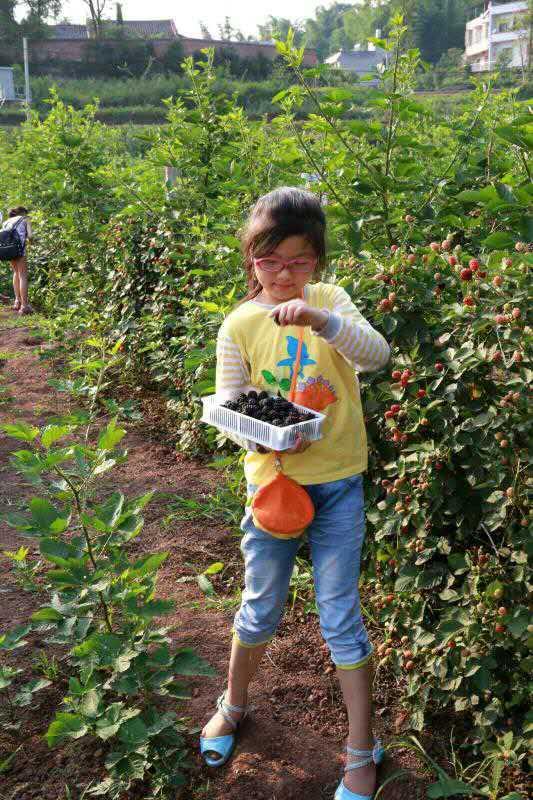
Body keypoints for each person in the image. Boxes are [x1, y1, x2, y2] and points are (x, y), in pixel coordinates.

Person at [200, 187, 391, 800]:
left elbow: (376, 357)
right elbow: (233, 408)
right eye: (271, 262)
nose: (285, 275)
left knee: (340, 617)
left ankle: (363, 748)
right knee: (259, 606)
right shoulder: (238, 324)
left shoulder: (329, 301)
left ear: (318, 262)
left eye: (299, 262)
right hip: (275, 488)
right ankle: (233, 704)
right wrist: (267, 441)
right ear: (251, 259)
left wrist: (322, 320)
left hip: (337, 485)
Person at [2, 206, 33, 314]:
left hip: (8, 250)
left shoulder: (6, 222)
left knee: (16, 273)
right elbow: (30, 236)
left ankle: (17, 301)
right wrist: (33, 241)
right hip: (19, 251)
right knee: (23, 275)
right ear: (23, 212)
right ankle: (24, 306)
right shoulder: (25, 219)